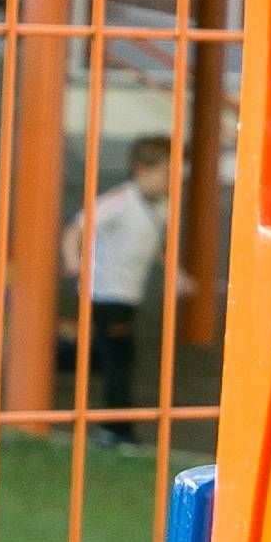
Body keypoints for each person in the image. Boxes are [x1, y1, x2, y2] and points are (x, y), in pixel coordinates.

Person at [75, 152, 169, 448]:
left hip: (127, 296)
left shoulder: (161, 207)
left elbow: (150, 243)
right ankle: (117, 429)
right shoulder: (120, 201)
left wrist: (175, 273)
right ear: (142, 170)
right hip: (106, 294)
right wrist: (73, 260)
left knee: (105, 355)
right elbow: (78, 227)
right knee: (119, 360)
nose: (169, 181)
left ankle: (116, 427)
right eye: (165, 173)